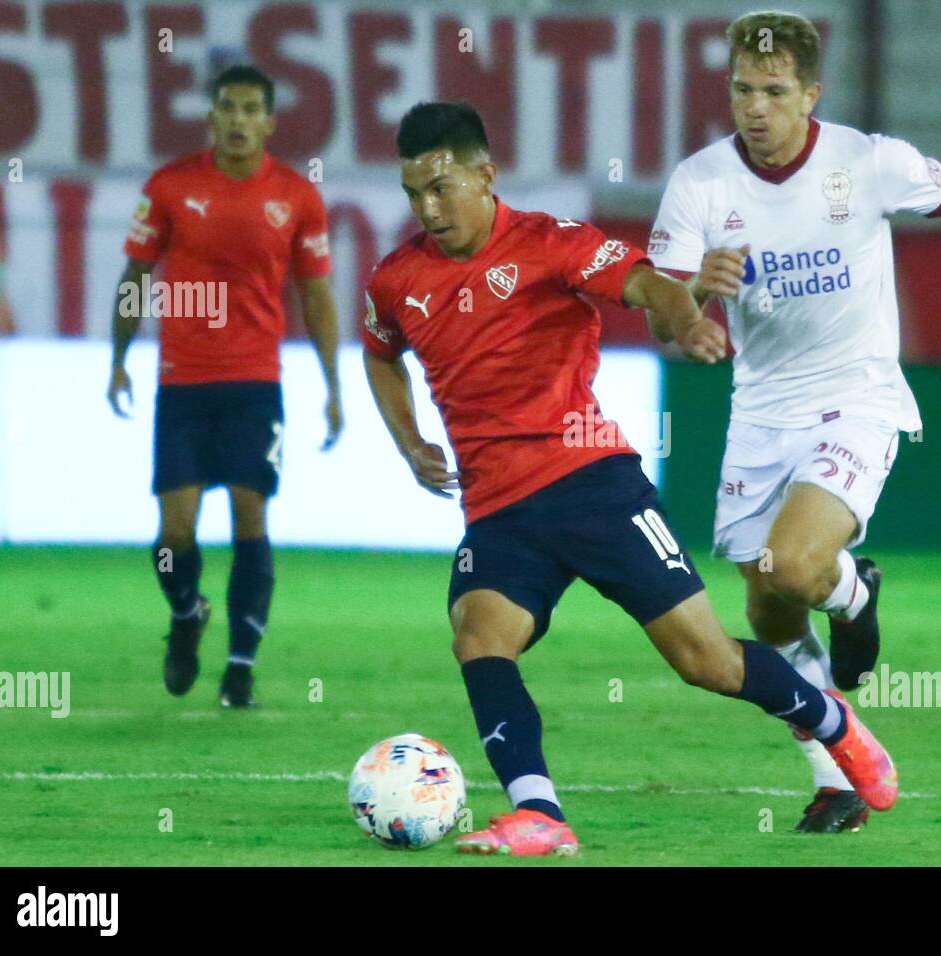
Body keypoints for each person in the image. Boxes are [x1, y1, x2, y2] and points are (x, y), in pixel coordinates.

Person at [362, 100, 898, 857]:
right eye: (415, 192)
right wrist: (410, 439)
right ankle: (539, 814)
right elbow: (380, 353)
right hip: (498, 512)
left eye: (442, 187)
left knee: (704, 663)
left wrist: (686, 320)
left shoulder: (552, 245)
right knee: (480, 639)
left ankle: (833, 723)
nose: (428, 207)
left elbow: (649, 285)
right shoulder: (397, 279)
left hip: (593, 484)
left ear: (487, 175)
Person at [647, 11, 941, 832]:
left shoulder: (865, 163)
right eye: (740, 90)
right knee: (766, 606)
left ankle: (849, 591)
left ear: (811, 95)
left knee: (796, 567)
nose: (754, 109)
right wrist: (695, 299)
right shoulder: (701, 182)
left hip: (856, 395)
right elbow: (661, 310)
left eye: (773, 92)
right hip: (762, 411)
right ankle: (835, 770)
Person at [108, 65, 342, 707]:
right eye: (227, 108)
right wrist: (119, 357)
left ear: (269, 121)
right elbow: (135, 273)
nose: (238, 120)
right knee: (173, 533)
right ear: (210, 117)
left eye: (250, 110)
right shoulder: (171, 187)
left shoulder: (295, 196)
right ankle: (187, 613)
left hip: (255, 384)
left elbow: (316, 292)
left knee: (250, 516)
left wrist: (332, 383)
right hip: (182, 383)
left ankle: (240, 666)